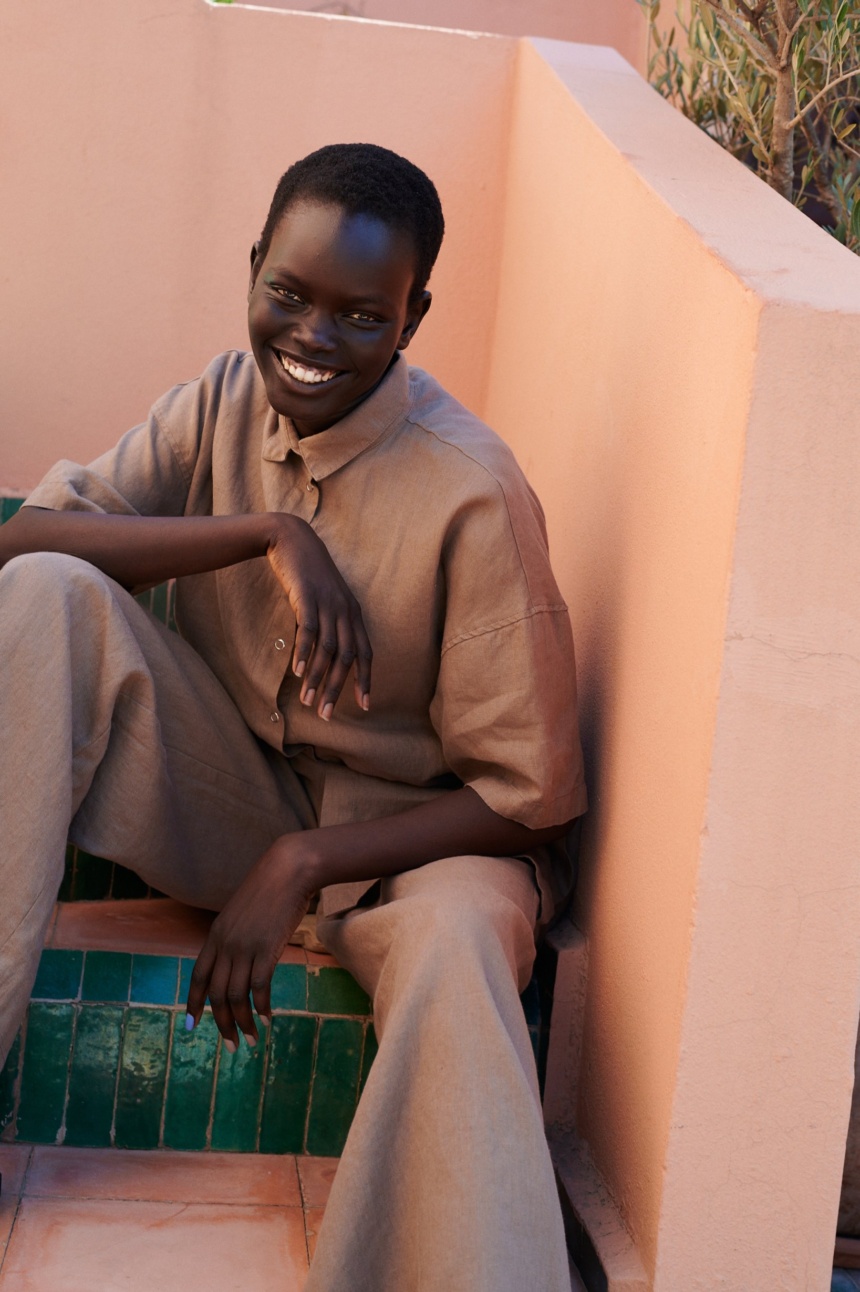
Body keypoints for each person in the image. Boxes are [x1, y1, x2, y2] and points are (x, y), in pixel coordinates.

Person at [0, 143, 586, 1290]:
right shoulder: (220, 396)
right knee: (42, 599)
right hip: (237, 790)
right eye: (289, 294)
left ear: (411, 316)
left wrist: (305, 856)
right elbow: (26, 536)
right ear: (256, 265)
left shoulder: (475, 489)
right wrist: (268, 533)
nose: (312, 336)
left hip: (425, 846)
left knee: (463, 943)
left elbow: (530, 801)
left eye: (361, 315)